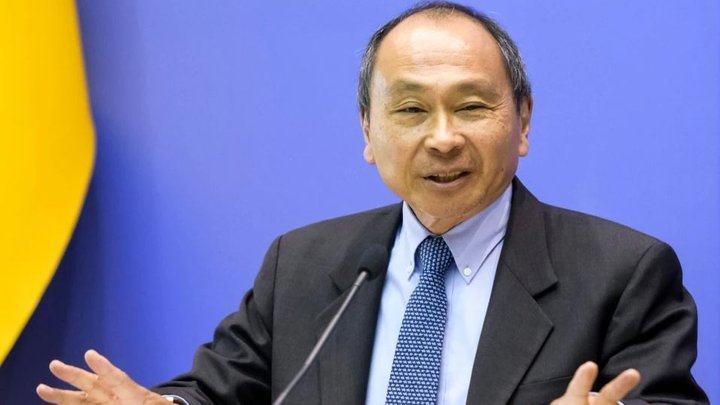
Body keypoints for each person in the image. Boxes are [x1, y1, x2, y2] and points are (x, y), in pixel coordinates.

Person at [36, 2, 707, 404]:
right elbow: (215, 390)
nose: (442, 138)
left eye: (471, 107)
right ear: (368, 131)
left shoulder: (622, 273)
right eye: (410, 110)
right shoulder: (304, 264)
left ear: (523, 122)